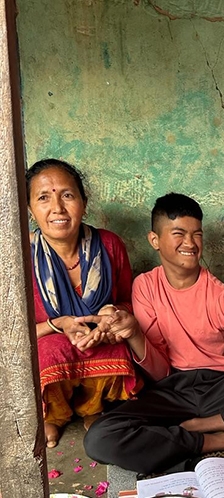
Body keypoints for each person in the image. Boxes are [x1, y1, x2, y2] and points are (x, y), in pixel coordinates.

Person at [80, 193, 224, 475]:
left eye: (197, 234)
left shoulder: (218, 296)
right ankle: (217, 439)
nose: (191, 244)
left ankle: (203, 427)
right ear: (155, 240)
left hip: (220, 388)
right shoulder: (145, 286)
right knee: (100, 438)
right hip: (170, 391)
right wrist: (133, 332)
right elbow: (159, 373)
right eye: (179, 234)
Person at [29, 159, 142, 448]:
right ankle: (53, 416)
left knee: (115, 347)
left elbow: (128, 300)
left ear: (83, 202)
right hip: (47, 336)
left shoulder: (109, 244)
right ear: (30, 209)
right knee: (50, 353)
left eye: (67, 195)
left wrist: (110, 314)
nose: (57, 207)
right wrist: (59, 324)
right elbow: (12, 329)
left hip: (98, 335)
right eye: (44, 198)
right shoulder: (20, 254)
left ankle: (93, 408)